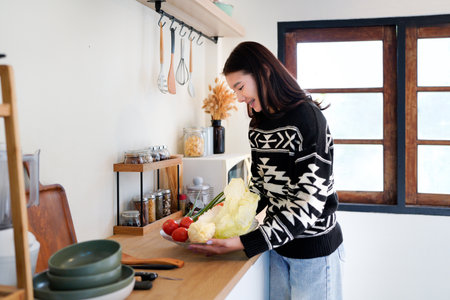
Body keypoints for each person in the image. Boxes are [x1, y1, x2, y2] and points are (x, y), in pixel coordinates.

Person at [188, 41, 344, 300]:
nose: (239, 98)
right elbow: (260, 186)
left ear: (263, 71)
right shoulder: (258, 125)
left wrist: (245, 242)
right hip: (278, 248)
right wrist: (225, 217)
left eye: (240, 87)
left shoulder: (309, 118)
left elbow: (309, 204)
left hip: (314, 253)